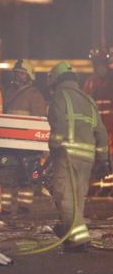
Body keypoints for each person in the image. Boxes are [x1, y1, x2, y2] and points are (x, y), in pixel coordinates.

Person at [47, 61, 111, 252]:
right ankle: (71, 234)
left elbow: (57, 123)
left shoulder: (60, 95)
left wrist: (54, 146)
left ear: (56, 80)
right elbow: (101, 131)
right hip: (87, 158)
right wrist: (103, 160)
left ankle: (78, 240)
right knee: (77, 198)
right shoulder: (88, 99)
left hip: (67, 154)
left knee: (64, 195)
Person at [2, 59, 48, 213]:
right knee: (7, 178)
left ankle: (23, 208)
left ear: (29, 76)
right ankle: (6, 208)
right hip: (10, 143)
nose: (18, 76)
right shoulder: (9, 92)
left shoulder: (35, 95)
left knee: (26, 179)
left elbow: (40, 122)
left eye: (22, 74)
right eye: (17, 73)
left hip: (27, 146)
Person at [83, 48, 113, 165]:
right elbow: (84, 105)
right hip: (96, 130)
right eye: (98, 65)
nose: (101, 69)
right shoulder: (90, 82)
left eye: (103, 65)